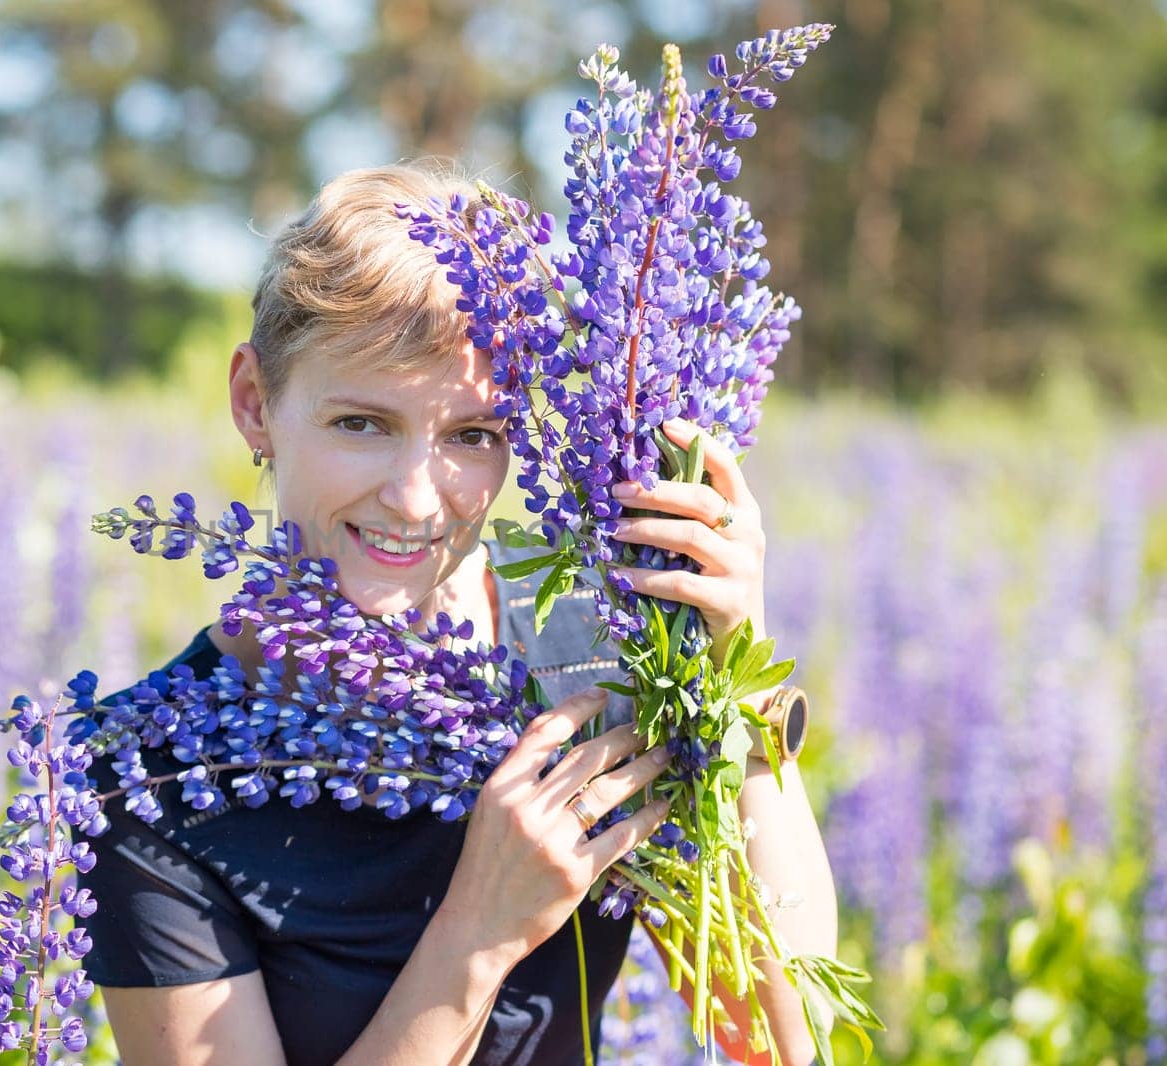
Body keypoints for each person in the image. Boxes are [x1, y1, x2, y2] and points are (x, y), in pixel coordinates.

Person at [77, 159, 838, 1065]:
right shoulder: (149, 776)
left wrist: (730, 676)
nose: (415, 499)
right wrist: (479, 934)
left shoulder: (595, 647)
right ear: (255, 404)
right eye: (361, 422)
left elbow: (783, 1039)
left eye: (471, 436)